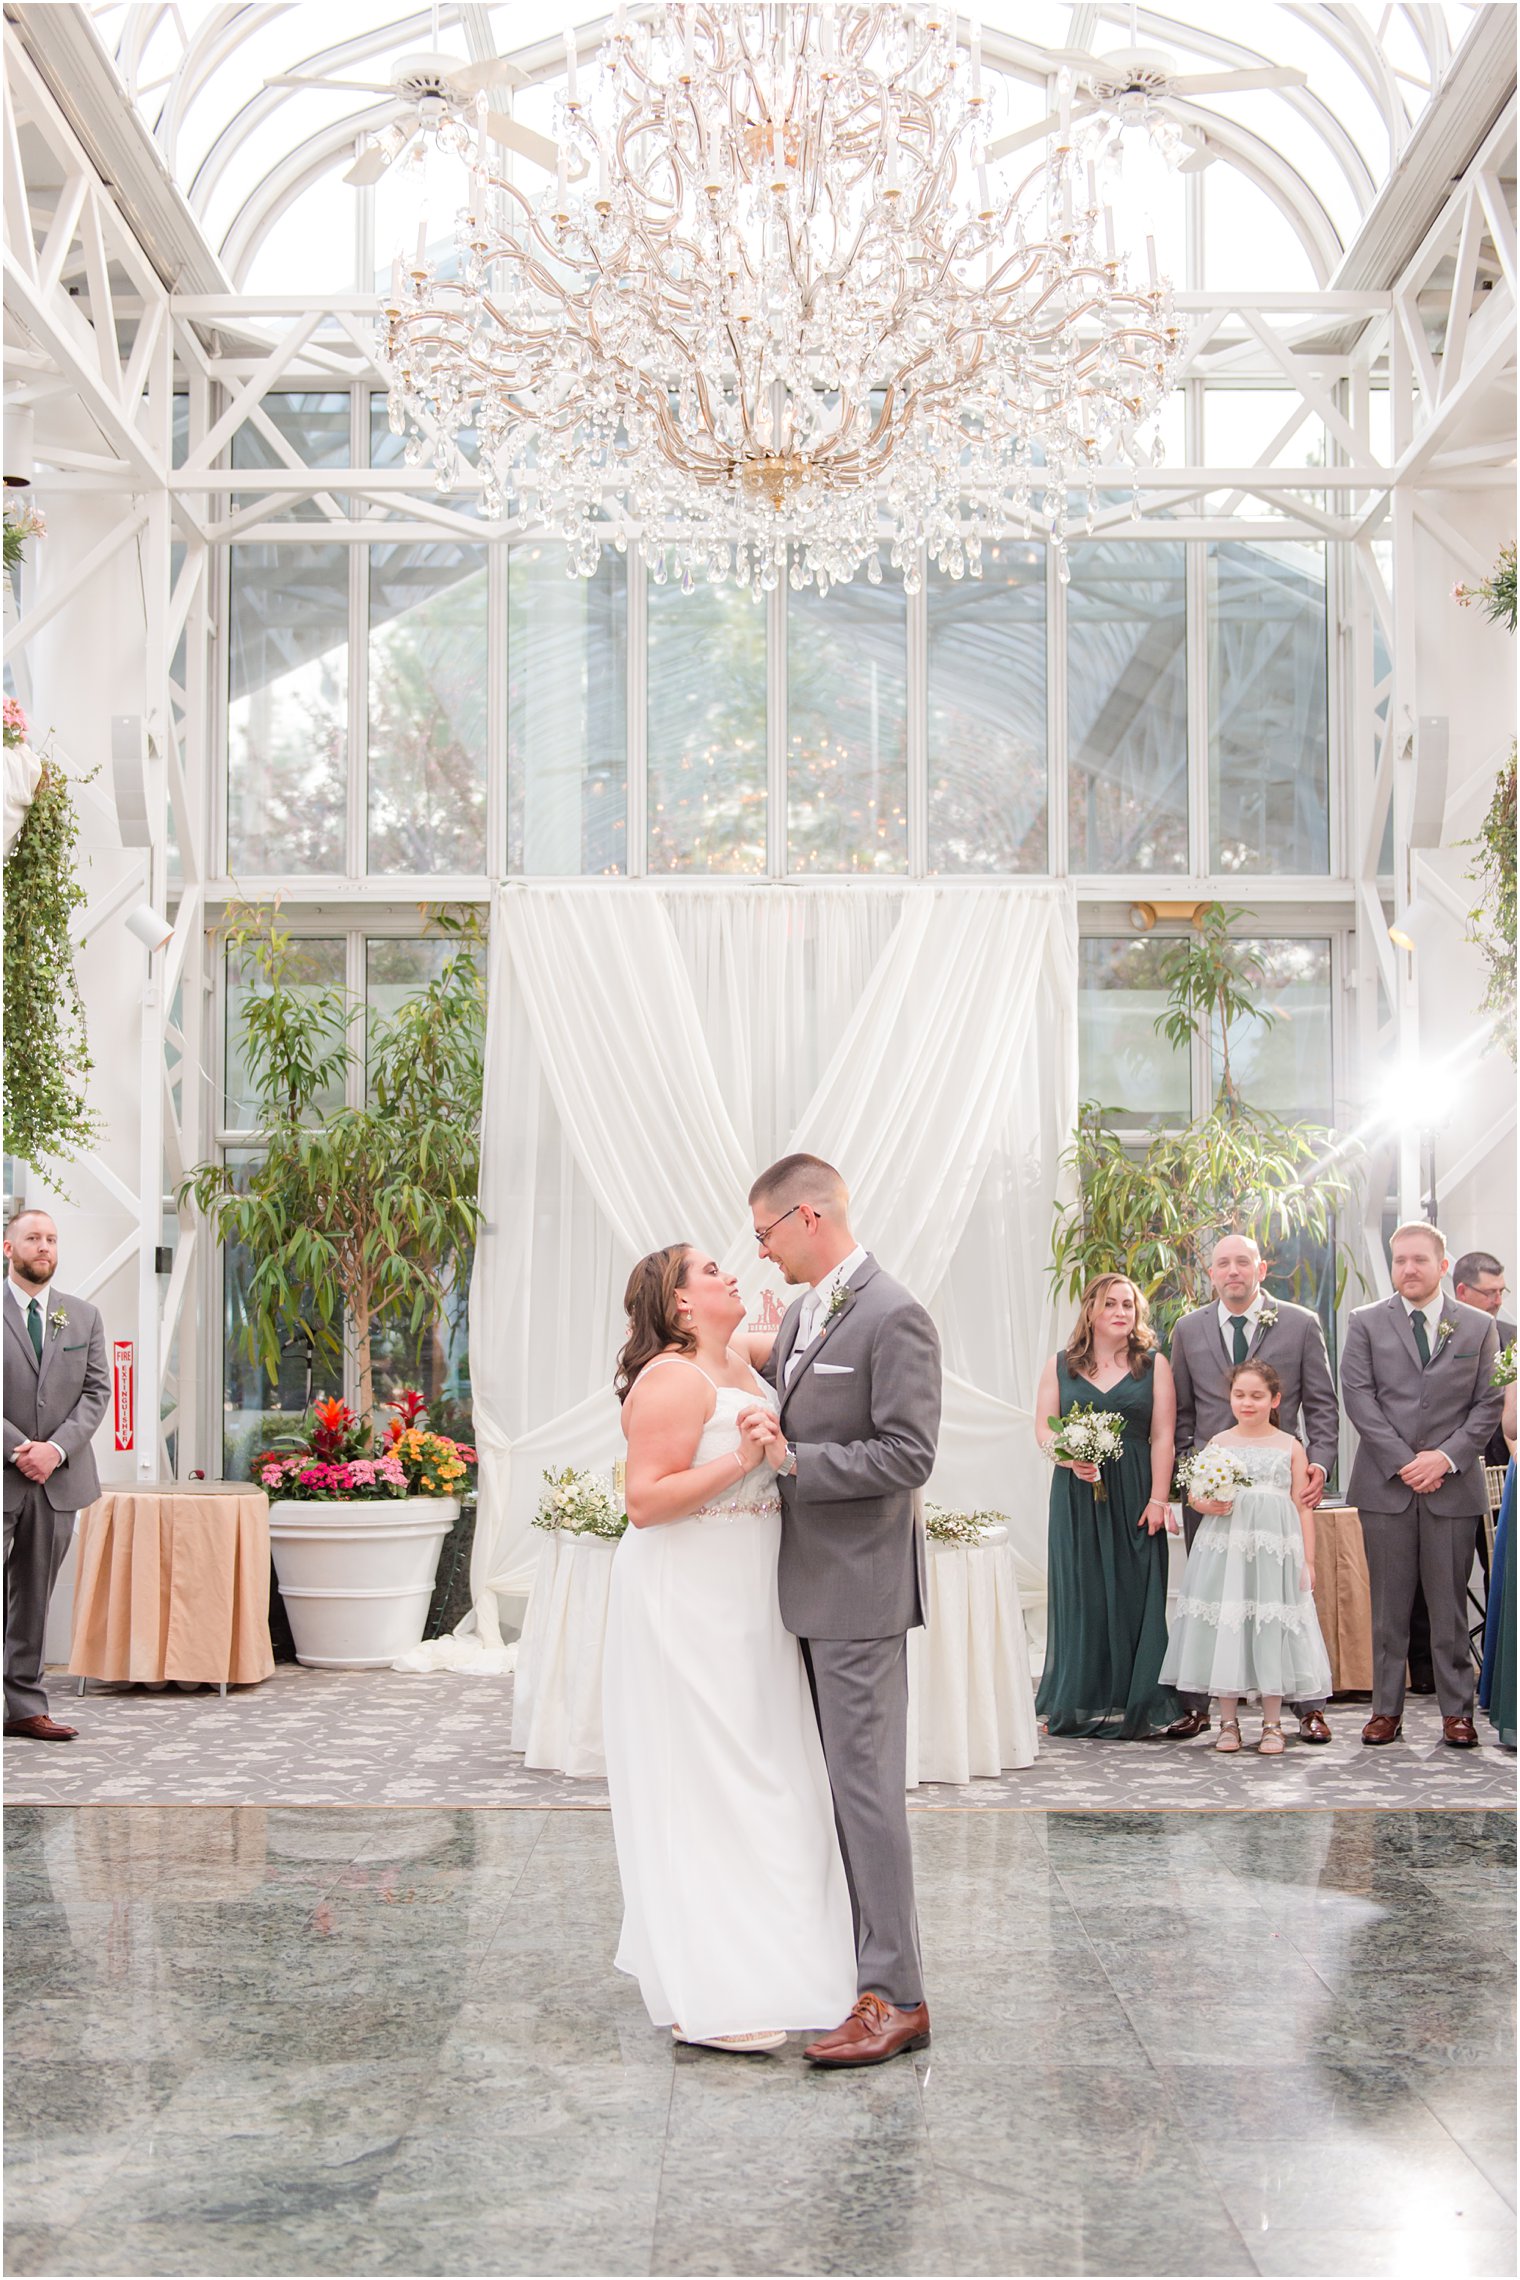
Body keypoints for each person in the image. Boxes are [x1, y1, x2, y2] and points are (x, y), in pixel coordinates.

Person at [602, 1242, 857, 2054]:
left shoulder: (740, 1362)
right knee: (706, 1783)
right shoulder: (672, 1379)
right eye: (710, 1270)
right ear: (679, 1304)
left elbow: (805, 1348)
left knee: (767, 1775)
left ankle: (769, 1959)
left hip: (751, 1600)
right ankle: (704, 1987)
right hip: (689, 1597)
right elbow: (644, 1502)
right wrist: (741, 1460)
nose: (728, 1275)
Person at [738, 1153, 941, 2070]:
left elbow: (907, 1455)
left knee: (865, 1794)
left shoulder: (896, 1314)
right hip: (807, 1587)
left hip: (858, 1592)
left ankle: (897, 1996)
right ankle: (850, 1969)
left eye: (765, 1234)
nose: (761, 1252)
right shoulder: (810, 1312)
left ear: (808, 1218)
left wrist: (795, 1465)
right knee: (828, 1794)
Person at [1165, 1234, 1340, 1744]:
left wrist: (1319, 1467)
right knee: (1215, 1601)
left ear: (1261, 1268)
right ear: (1212, 1274)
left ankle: (1307, 1708)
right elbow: (1182, 1415)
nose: (1233, 1270)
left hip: (1277, 1494)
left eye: (1243, 1261)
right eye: (1223, 1263)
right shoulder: (1187, 1328)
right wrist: (1194, 1478)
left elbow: (1324, 1408)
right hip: (1215, 1492)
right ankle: (1204, 1707)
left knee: (1283, 1599)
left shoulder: (1301, 1323)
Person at [1341, 1221, 1503, 1749]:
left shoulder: (1479, 1327)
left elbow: (1488, 1405)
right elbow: (1358, 1397)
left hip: (1452, 1488)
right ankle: (1385, 1711)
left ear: (1443, 1264)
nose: (1408, 1269)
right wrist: (1405, 1461)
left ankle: (1457, 1712)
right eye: (1400, 1261)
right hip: (1386, 1486)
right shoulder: (1365, 1321)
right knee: (1389, 1609)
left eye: (1419, 1260)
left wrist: (1445, 1458)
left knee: (1449, 1606)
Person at [1032, 1273, 1181, 1741]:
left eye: (1129, 1305)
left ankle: (1138, 1698)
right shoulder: (1061, 1366)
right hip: (1077, 1493)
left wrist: (1159, 1498)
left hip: (1137, 1490)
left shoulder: (1154, 1365)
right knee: (1083, 1591)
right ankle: (1080, 1695)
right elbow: (1043, 1429)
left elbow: (1162, 1435)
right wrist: (1067, 1454)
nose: (1122, 1312)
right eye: (1111, 1304)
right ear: (1091, 1312)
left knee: (1137, 1590)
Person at [1159, 1361, 1333, 1755]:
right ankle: (1228, 1722)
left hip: (1274, 1553)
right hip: (1227, 1549)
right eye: (1240, 1395)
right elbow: (1197, 1496)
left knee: (1270, 1626)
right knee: (1229, 1626)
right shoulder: (1219, 1443)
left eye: (1256, 1396)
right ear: (1230, 1398)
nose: (1247, 1403)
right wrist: (1208, 1504)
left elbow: (1302, 1506)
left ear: (1275, 1400)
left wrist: (1308, 1559)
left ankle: (1273, 1723)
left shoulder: (1291, 1446)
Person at [3, 1208, 109, 1741]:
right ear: (8, 1248)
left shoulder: (82, 1316)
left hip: (56, 1481)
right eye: (32, 1238)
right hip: (6, 1472)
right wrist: (21, 1448)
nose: (43, 1247)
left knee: (33, 1597)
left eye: (50, 1239)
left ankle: (23, 1708)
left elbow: (96, 1393)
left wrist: (56, 1451)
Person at [1452, 1250, 1514, 1470]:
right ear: (1462, 1292)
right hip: (1459, 1464)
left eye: (1501, 1292)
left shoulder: (1513, 1338)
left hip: (1507, 1464)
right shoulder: (1443, 1339)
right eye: (1489, 1293)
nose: (1497, 1301)